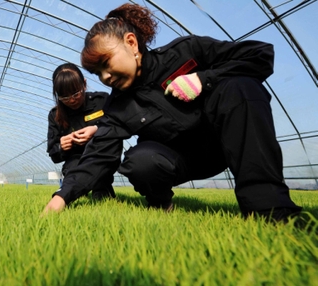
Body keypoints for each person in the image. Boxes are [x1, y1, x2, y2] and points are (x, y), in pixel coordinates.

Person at [43, 3, 302, 221]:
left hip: (227, 145)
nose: (105, 77)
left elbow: (259, 54)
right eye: (97, 73)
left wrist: (204, 79)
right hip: (180, 163)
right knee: (139, 161)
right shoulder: (117, 106)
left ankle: (269, 210)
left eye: (106, 64)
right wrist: (62, 196)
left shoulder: (185, 52)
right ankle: (161, 204)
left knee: (240, 85)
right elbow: (97, 155)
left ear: (131, 43)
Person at [47, 63, 116, 200]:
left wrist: (97, 130)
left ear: (84, 84)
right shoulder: (55, 115)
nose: (72, 100)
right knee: (73, 181)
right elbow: (53, 153)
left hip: (102, 157)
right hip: (75, 162)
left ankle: (102, 189)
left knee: (103, 197)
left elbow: (117, 127)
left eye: (76, 93)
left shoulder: (102, 101)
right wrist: (62, 147)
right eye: (65, 98)